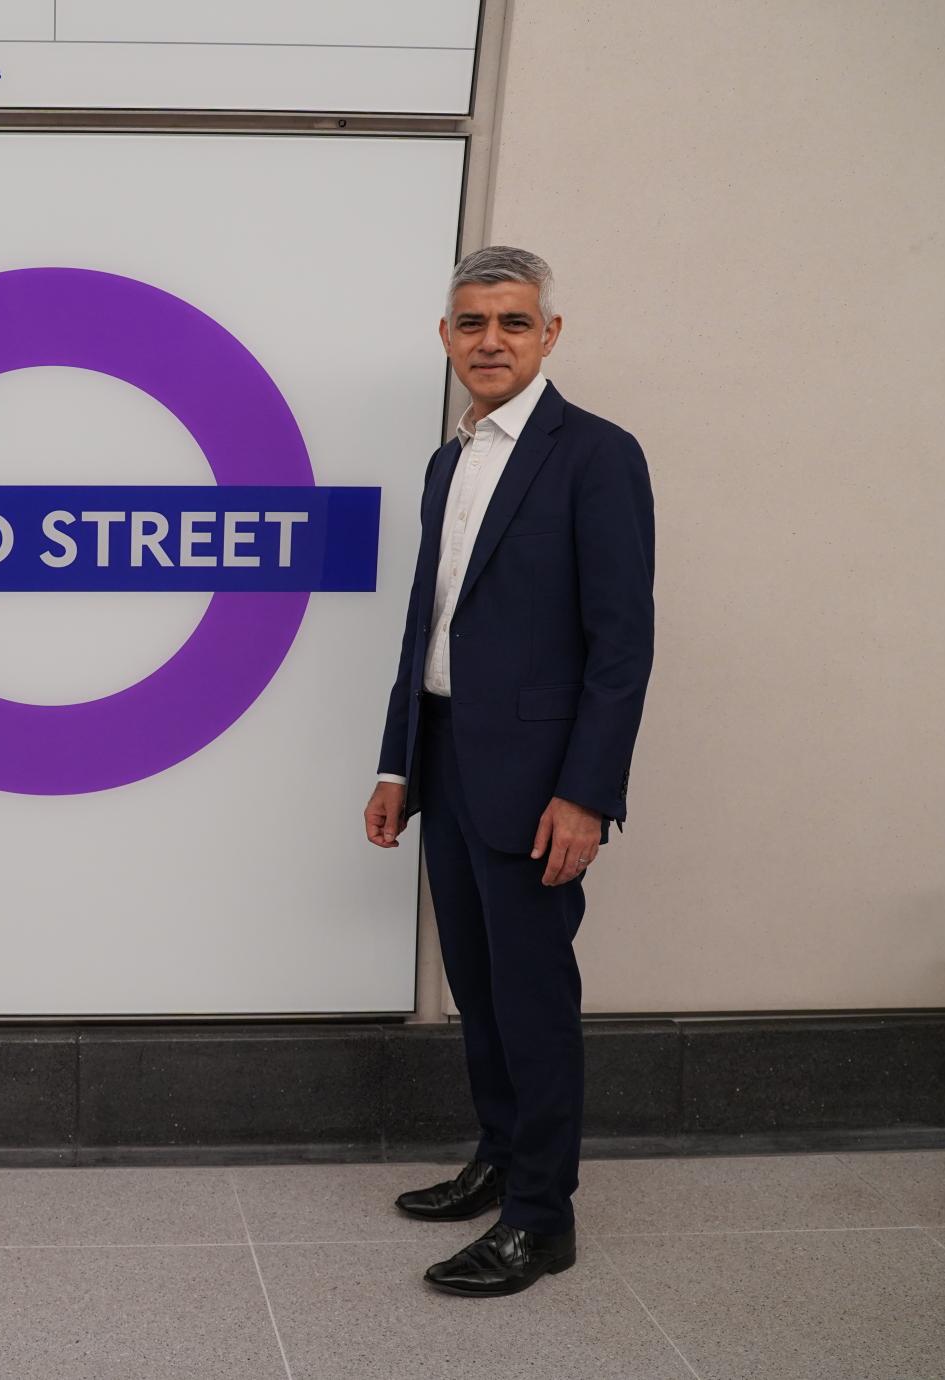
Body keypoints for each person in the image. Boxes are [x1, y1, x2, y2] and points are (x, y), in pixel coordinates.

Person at [365, 245, 655, 1297]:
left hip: (539, 783)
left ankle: (541, 1217)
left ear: (549, 335)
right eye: (471, 323)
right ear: (444, 338)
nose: (490, 341)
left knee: (530, 998)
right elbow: (425, 626)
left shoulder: (594, 455)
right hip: (445, 760)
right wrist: (397, 764)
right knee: (477, 991)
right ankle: (498, 1158)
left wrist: (585, 791)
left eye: (513, 323)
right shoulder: (448, 461)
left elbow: (620, 644)